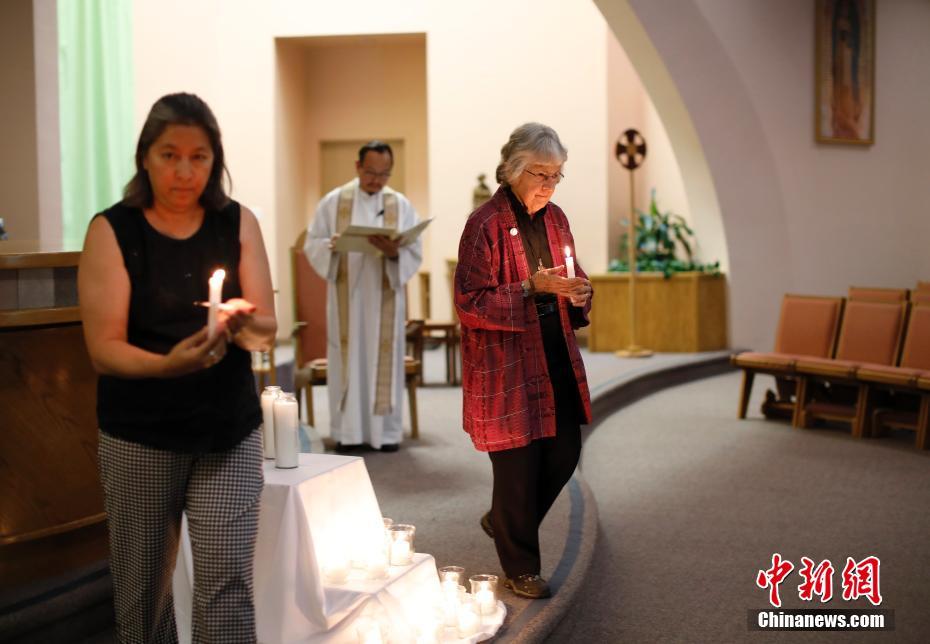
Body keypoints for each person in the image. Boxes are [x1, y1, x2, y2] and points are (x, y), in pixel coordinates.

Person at [78, 92, 276, 643]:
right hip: (140, 433)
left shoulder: (237, 222)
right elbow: (104, 348)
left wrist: (240, 323)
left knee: (226, 584)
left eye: (199, 157)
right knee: (144, 592)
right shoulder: (113, 230)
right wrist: (168, 365)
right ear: (145, 156)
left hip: (227, 429)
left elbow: (266, 329)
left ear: (215, 160)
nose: (184, 172)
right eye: (170, 155)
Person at [454, 123, 593, 599]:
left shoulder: (556, 219)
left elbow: (573, 273)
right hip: (507, 363)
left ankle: (505, 521)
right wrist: (530, 288)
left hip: (554, 352)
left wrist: (580, 291)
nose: (550, 185)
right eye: (541, 173)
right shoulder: (485, 225)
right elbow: (470, 302)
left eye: (557, 175)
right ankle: (522, 567)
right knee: (517, 466)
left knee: (565, 451)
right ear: (513, 169)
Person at [304, 141, 423, 453]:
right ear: (357, 167)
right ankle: (348, 433)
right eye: (371, 172)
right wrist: (330, 246)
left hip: (385, 298)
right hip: (348, 299)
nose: (377, 180)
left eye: (384, 174)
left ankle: (386, 435)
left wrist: (394, 252)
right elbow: (312, 243)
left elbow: (414, 249)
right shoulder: (334, 202)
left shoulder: (400, 205)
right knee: (349, 360)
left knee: (384, 359)